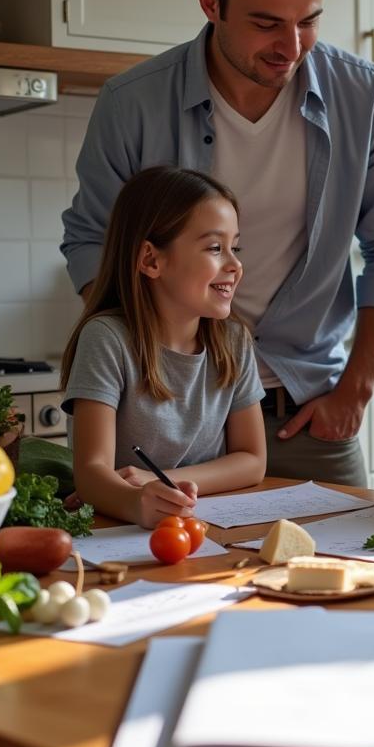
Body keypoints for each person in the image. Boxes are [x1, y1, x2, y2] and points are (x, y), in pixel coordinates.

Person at [61, 0, 374, 487]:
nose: (292, 47)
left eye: (308, 21)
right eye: (266, 23)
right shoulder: (132, 103)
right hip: (171, 417)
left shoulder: (365, 95)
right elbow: (92, 239)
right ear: (210, 2)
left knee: (346, 573)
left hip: (308, 413)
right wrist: (149, 359)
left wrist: (356, 391)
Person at [61, 167, 267, 528]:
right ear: (151, 260)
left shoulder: (234, 340)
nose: (235, 265)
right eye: (215, 248)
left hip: (207, 524)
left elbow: (252, 459)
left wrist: (158, 480)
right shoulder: (106, 339)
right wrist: (137, 502)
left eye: (235, 247)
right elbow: (91, 472)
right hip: (123, 530)